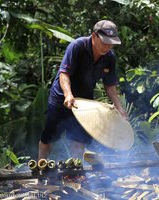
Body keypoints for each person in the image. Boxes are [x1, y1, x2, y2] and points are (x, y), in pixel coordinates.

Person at [38, 20, 127, 159]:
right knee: (48, 138)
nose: (107, 47)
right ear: (94, 36)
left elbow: (109, 85)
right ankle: (41, 169)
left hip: (85, 102)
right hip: (61, 98)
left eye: (111, 44)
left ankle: (75, 172)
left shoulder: (110, 58)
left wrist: (119, 107)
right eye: (104, 42)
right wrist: (68, 94)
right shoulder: (77, 46)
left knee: (79, 139)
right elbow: (64, 73)